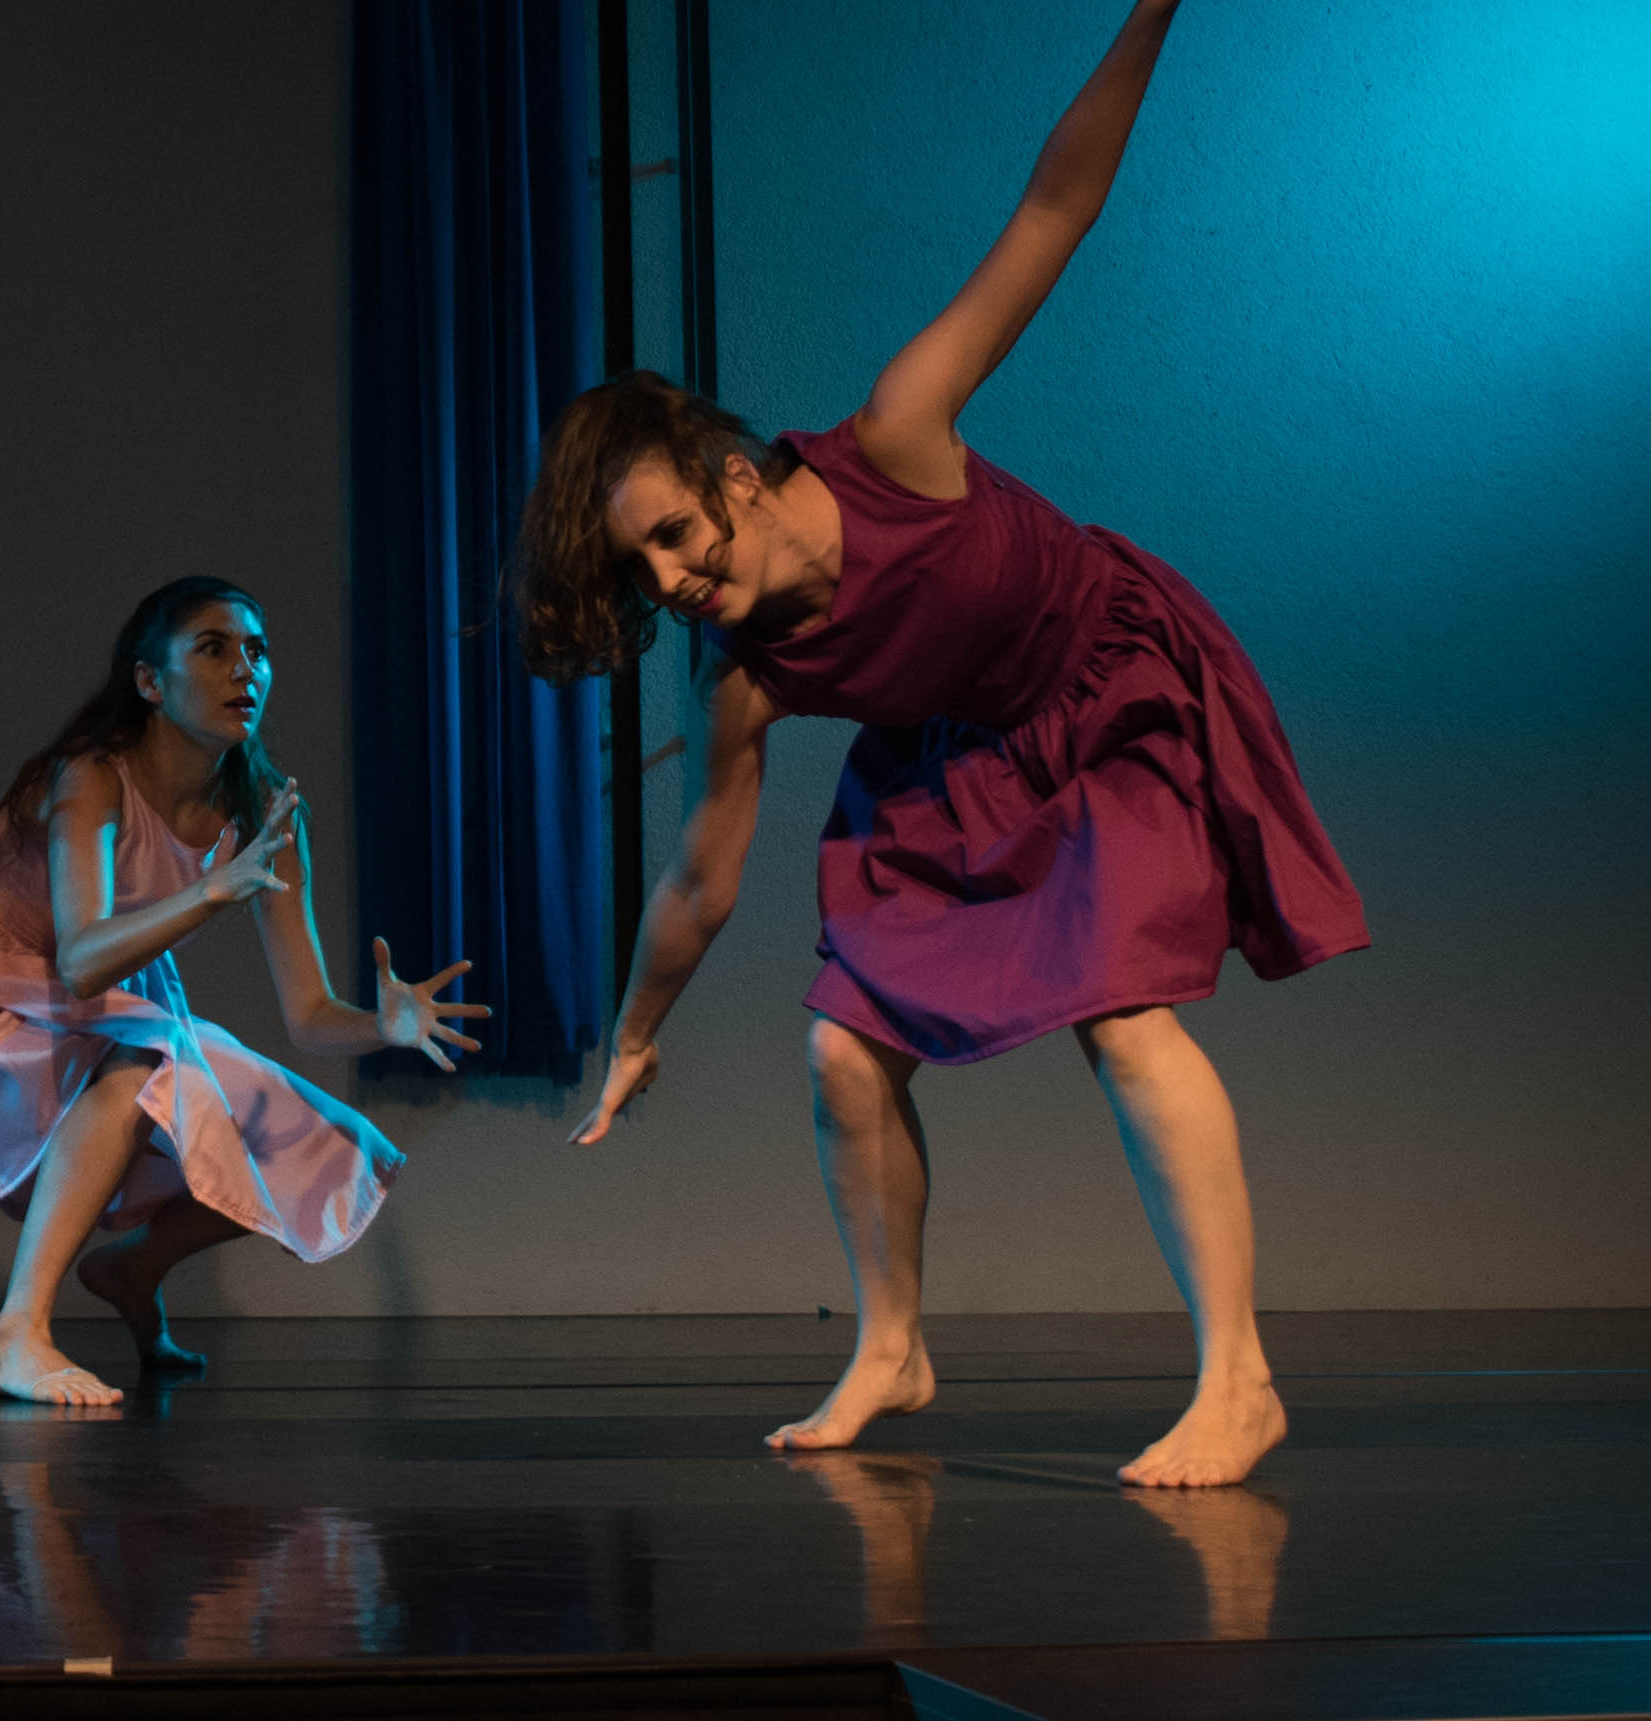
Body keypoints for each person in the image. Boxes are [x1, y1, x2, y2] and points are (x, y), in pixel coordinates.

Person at [514, 0, 1366, 1486]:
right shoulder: (745, 676)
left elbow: (1054, 203)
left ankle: (1239, 1379)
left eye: (673, 534)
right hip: (956, 764)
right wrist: (635, 1032)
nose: (671, 577)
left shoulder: (899, 432)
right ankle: (890, 1347)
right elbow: (700, 880)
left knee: (1122, 1015)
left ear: (730, 475)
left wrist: (1152, 14)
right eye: (640, 568)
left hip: (1102, 691)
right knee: (841, 1047)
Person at [0, 578, 487, 1406]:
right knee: (143, 1066)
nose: (246, 669)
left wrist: (382, 1024)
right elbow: (81, 960)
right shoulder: (93, 777)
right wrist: (207, 893)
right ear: (149, 680)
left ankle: (135, 1268)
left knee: (307, 1138)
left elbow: (310, 1016)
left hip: (114, 985)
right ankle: (15, 1335)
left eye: (257, 651)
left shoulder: (266, 811)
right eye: (214, 648)